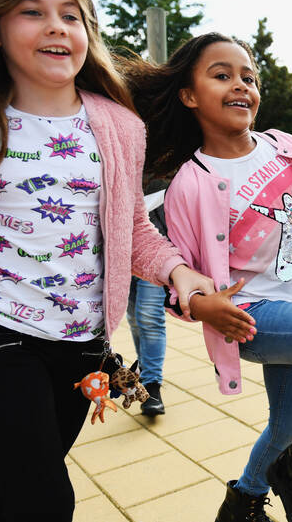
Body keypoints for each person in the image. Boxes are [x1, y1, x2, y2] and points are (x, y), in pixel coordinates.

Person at [122, 33, 292, 522]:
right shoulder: (190, 181)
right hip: (249, 315)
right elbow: (180, 272)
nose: (240, 85)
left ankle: (243, 501)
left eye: (248, 76)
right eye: (222, 75)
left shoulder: (283, 147)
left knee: (287, 421)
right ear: (188, 94)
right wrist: (199, 306)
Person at [0, 0, 213, 520]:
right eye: (32, 11)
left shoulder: (118, 124)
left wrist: (179, 271)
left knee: (19, 491)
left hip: (81, 342)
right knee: (46, 494)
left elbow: (132, 227)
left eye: (72, 14)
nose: (57, 26)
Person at [126, 178, 170, 416]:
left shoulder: (167, 157)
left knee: (149, 316)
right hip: (122, 250)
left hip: (155, 247)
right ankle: (144, 369)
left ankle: (152, 385)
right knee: (134, 316)